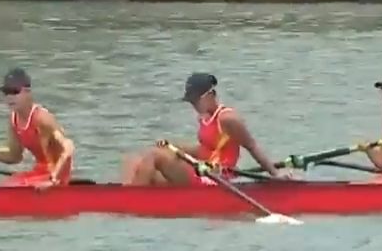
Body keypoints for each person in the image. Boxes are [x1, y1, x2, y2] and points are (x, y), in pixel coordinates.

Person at [121, 73, 289, 186]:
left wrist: (275, 174)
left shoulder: (228, 119)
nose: (194, 105)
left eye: (196, 101)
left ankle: (129, 202)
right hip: (201, 170)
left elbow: (252, 146)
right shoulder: (205, 117)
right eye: (191, 102)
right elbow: (204, 150)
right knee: (134, 159)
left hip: (215, 178)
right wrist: (173, 147)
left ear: (210, 95)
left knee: (154, 156)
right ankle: (123, 196)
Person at [0, 68, 74, 188]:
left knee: (8, 188)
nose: (10, 97)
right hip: (40, 171)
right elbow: (15, 156)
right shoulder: (14, 120)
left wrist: (53, 180)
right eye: (6, 92)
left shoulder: (41, 118)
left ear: (28, 92)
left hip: (57, 175)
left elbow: (68, 148)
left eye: (15, 91)